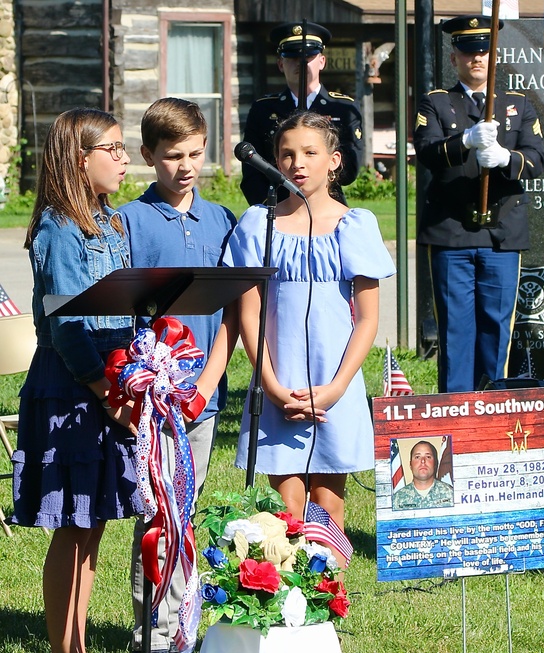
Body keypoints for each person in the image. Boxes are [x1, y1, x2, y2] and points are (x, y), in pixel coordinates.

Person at [225, 112, 394, 563]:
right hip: (280, 384)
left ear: (334, 161)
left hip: (333, 386)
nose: (297, 163)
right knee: (286, 512)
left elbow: (367, 320)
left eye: (310, 153)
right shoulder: (258, 226)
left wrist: (337, 387)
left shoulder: (353, 225)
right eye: (286, 154)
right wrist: (272, 387)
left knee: (327, 508)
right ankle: (281, 612)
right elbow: (249, 312)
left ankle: (324, 613)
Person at [13, 108, 139, 653]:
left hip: (113, 383)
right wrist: (105, 391)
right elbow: (66, 322)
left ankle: (78, 641)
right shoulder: (59, 229)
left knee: (93, 525)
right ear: (78, 158)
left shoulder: (109, 220)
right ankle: (65, 646)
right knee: (72, 521)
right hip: (75, 386)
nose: (124, 157)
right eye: (112, 148)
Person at [119, 97, 239, 653]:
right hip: (151, 400)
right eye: (172, 156)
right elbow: (118, 312)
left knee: (187, 511)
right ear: (148, 156)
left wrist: (210, 383)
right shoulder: (128, 222)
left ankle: (184, 626)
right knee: (156, 514)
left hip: (202, 396)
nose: (186, 166)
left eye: (195, 152)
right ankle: (155, 631)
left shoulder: (221, 220)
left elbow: (236, 311)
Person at [414, 14, 544, 393]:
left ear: (494, 56)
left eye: (484, 52)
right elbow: (427, 151)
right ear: (454, 56)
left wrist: (507, 159)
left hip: (501, 235)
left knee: (496, 328)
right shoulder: (437, 103)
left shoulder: (517, 105)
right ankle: (456, 411)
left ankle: (490, 409)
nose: (476, 60)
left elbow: (536, 159)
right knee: (455, 330)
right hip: (452, 233)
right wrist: (465, 142)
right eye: (468, 52)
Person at [240, 20, 363, 206]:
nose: (301, 63)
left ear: (322, 61)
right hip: (277, 207)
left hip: (327, 207)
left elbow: (349, 170)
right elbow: (252, 172)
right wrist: (270, 207)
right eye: (293, 58)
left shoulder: (342, 108)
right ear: (280, 64)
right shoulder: (263, 109)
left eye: (309, 57)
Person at [391, 440, 454, 510]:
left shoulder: (451, 494)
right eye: (417, 457)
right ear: (410, 465)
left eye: (428, 457)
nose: (423, 461)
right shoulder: (397, 499)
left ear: (435, 463)